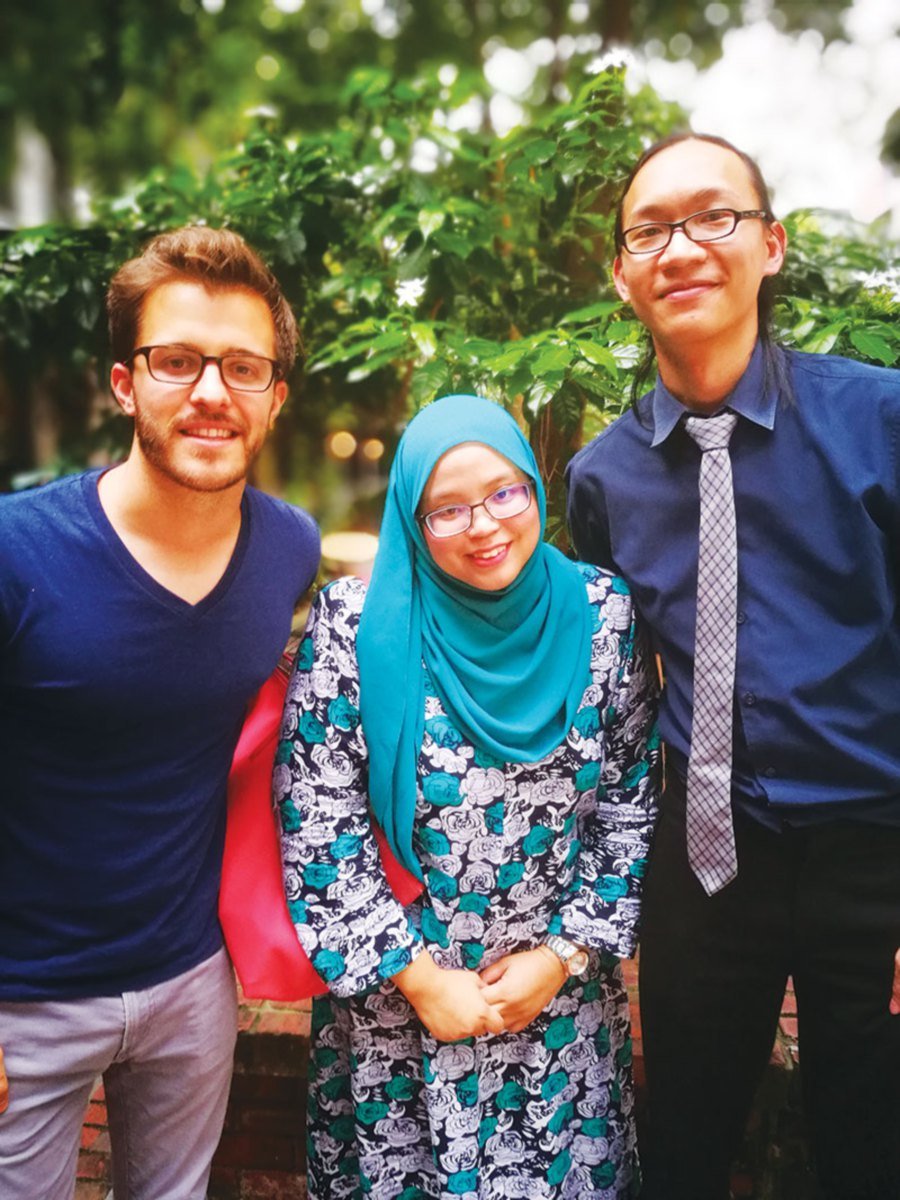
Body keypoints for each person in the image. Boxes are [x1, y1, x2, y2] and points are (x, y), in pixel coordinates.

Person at [566, 132, 900, 1200]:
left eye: (714, 216)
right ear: (623, 274)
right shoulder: (602, 481)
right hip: (708, 861)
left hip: (877, 851)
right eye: (651, 229)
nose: (682, 247)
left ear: (771, 244)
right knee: (684, 1147)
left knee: (872, 1144)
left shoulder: (878, 421)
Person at [0, 226, 320, 1199]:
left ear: (274, 396)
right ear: (125, 383)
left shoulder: (288, 551)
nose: (213, 391)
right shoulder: (18, 553)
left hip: (191, 982)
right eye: (178, 360)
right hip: (22, 997)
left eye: (242, 366)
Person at [277, 393, 660, 1200]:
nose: (483, 526)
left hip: (557, 1021)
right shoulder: (354, 624)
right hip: (400, 1025)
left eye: (503, 493)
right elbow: (318, 822)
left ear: (535, 487)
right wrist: (420, 980)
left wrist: (562, 957)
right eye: (445, 510)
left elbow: (630, 801)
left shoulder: (603, 616)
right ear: (413, 522)